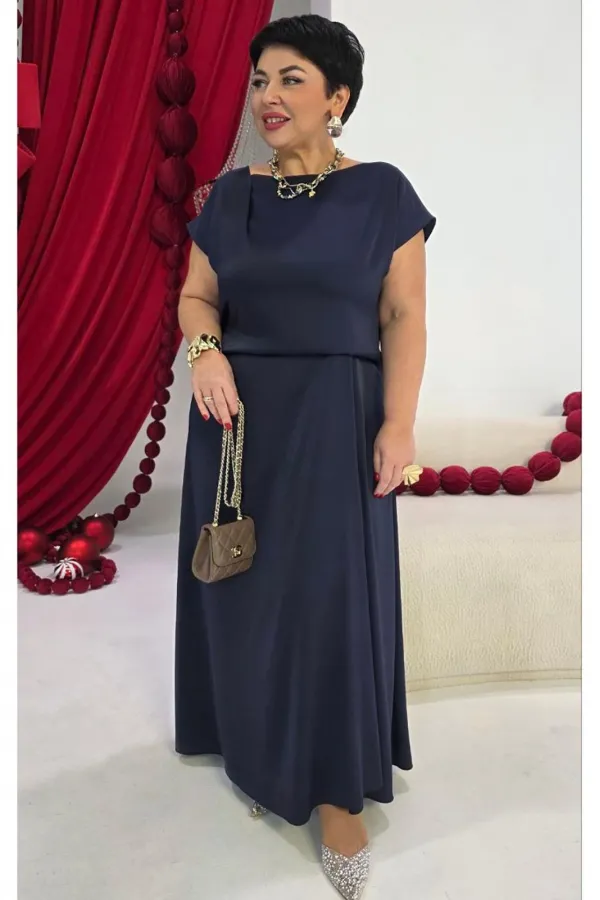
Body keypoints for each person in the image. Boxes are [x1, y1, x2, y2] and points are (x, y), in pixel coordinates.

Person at [175, 13, 435, 899]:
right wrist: (206, 354)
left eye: (291, 78)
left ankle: (332, 791)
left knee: (329, 600)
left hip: (336, 417)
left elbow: (402, 315)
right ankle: (255, 746)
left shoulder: (382, 193)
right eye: (260, 80)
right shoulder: (230, 196)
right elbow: (198, 299)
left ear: (338, 97)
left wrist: (398, 424)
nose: (269, 96)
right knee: (243, 589)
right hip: (238, 422)